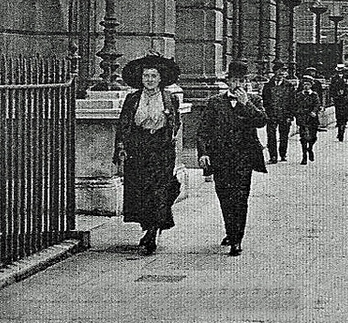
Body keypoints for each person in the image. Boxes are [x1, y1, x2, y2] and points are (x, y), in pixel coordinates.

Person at [196, 62, 268, 256]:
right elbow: (203, 131)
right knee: (225, 198)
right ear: (227, 81)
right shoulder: (215, 102)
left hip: (244, 159)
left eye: (240, 81)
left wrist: (246, 104)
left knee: (241, 198)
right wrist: (203, 153)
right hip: (221, 159)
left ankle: (237, 239)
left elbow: (262, 121)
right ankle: (230, 230)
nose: (236, 84)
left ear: (245, 82)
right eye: (233, 80)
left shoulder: (254, 100)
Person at [114, 54, 182, 256]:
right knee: (141, 191)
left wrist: (169, 131)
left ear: (160, 79)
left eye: (154, 76)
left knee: (159, 191)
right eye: (146, 76)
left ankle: (153, 232)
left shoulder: (170, 98)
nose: (150, 80)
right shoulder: (133, 99)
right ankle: (148, 227)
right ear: (141, 79)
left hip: (161, 149)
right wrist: (121, 147)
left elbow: (176, 123)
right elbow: (124, 124)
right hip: (139, 148)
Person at [261, 64, 294, 164]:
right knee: (271, 136)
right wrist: (267, 113)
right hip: (272, 114)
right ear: (275, 72)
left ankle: (283, 154)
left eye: (283, 72)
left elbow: (292, 102)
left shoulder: (289, 85)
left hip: (285, 114)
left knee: (284, 136)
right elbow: (265, 101)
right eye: (279, 72)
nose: (281, 74)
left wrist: (290, 116)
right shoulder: (267, 86)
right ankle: (273, 156)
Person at [294, 71, 324, 164]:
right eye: (304, 84)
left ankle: (310, 148)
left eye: (308, 84)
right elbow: (296, 105)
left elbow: (317, 104)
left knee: (313, 137)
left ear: (311, 85)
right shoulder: (299, 95)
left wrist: (314, 112)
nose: (306, 86)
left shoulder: (314, 95)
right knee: (303, 137)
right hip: (302, 117)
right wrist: (298, 113)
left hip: (312, 118)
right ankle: (304, 156)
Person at [329, 66, 348, 142]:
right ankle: (340, 134)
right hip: (340, 103)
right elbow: (333, 90)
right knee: (340, 119)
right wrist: (336, 96)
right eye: (346, 72)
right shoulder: (338, 82)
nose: (347, 74)